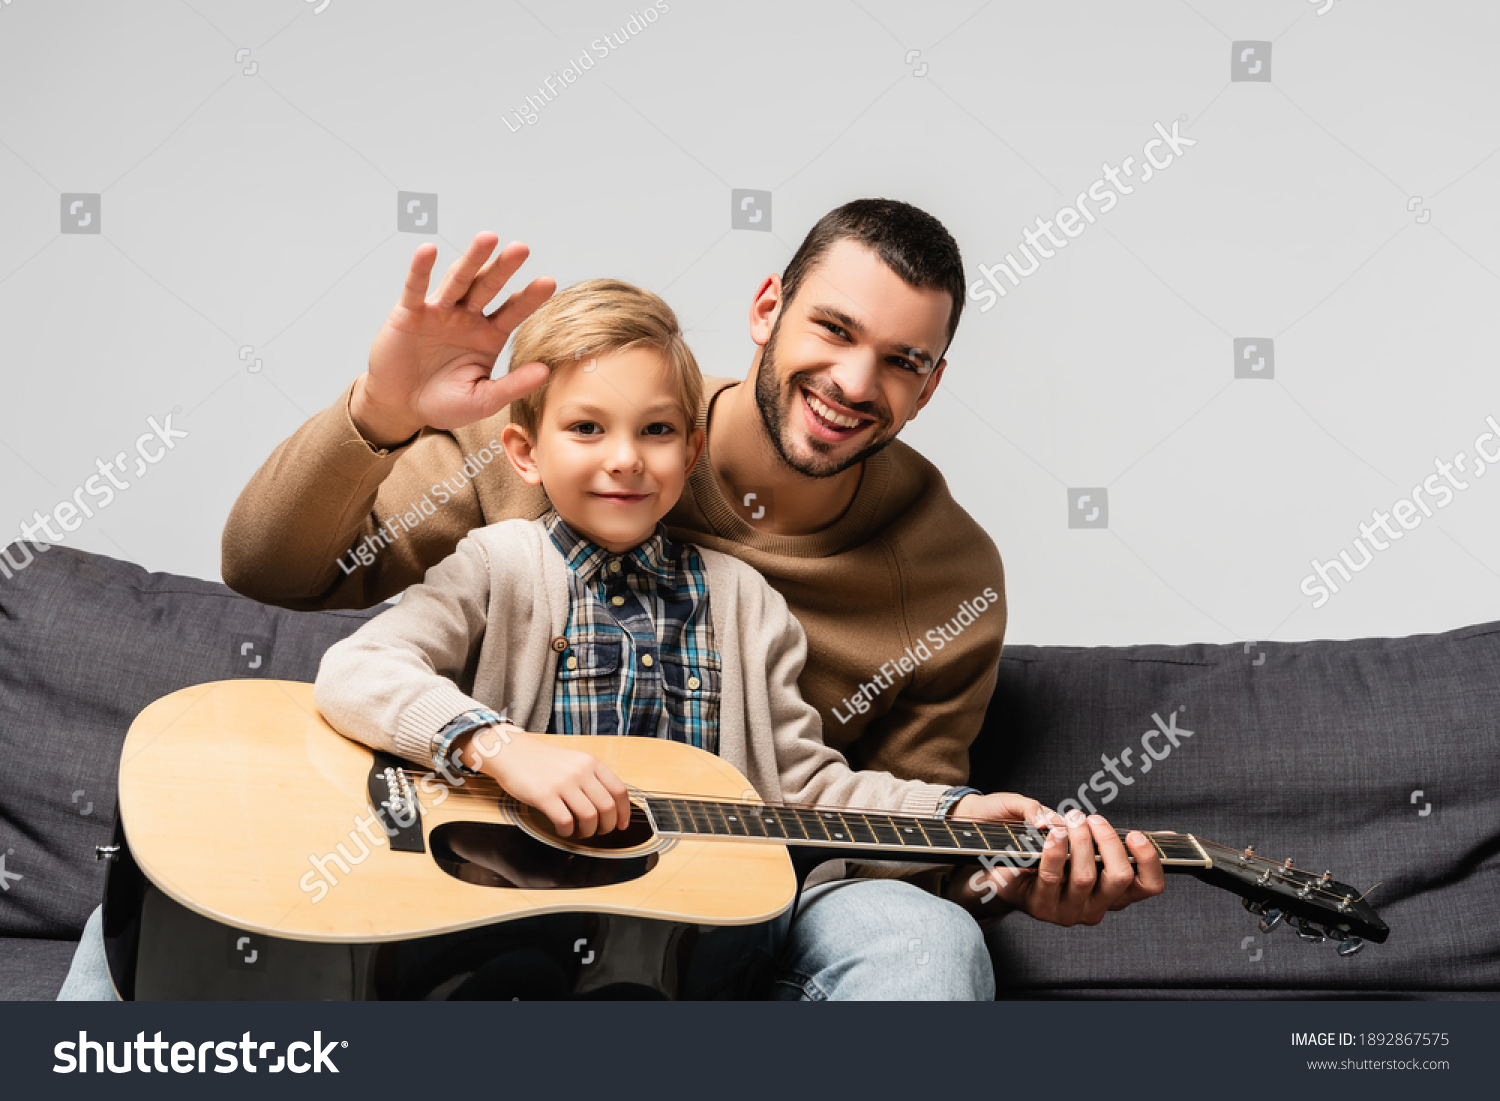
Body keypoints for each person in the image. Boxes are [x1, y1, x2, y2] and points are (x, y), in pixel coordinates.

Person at [215, 198, 1164, 998]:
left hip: (739, 899)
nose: (852, 381)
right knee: (185, 890)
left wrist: (981, 853)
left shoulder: (907, 581)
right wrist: (381, 410)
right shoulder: (570, 424)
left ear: (931, 385)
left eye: (902, 360)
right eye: (833, 328)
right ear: (767, 308)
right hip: (489, 873)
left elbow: (842, 819)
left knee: (924, 939)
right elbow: (273, 573)